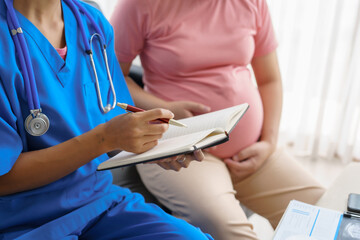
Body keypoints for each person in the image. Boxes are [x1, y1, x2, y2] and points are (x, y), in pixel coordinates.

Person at [110, 0, 326, 239]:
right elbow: (111, 78)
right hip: (180, 150)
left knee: (326, 213)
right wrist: (166, 108)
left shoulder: (252, 3)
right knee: (228, 230)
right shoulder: (140, 6)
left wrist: (269, 142)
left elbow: (270, 80)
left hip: (252, 148)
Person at [0, 0, 213, 239]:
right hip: (23, 222)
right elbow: (3, 179)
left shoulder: (91, 22)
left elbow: (112, 126)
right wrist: (103, 139)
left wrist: (158, 147)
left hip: (98, 203)